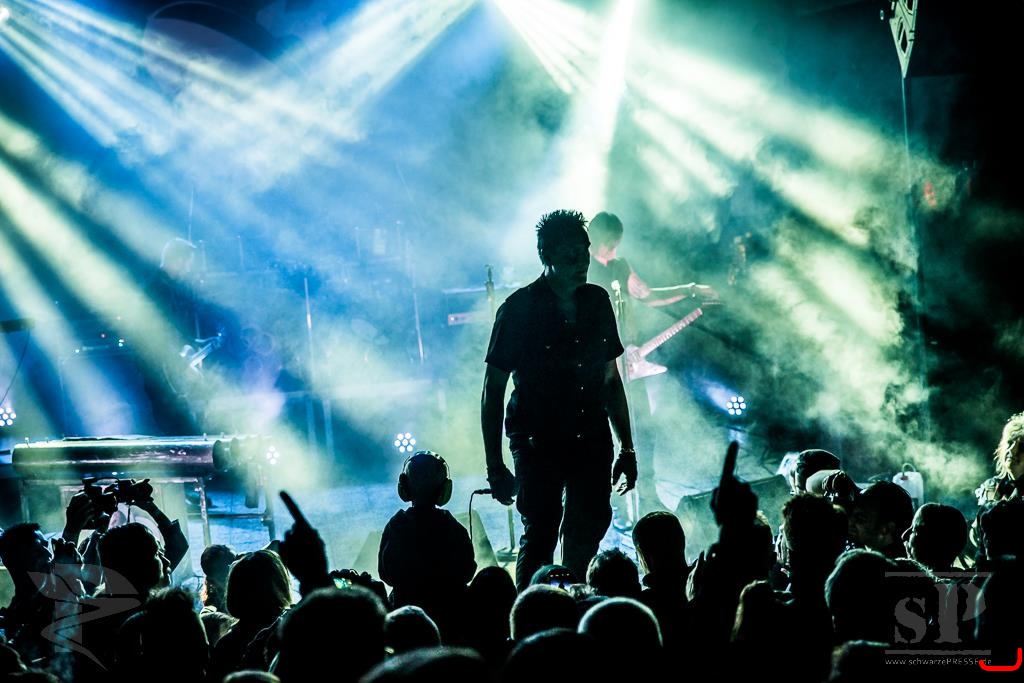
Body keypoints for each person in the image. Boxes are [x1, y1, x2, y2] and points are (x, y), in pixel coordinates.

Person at [481, 209, 637, 592]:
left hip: (590, 434)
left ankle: (574, 601)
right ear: (546, 255)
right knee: (540, 534)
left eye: (584, 252)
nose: (582, 262)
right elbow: (492, 390)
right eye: (571, 255)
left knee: (588, 529)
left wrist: (627, 447)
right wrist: (495, 466)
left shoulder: (597, 302)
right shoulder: (517, 310)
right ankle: (530, 612)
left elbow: (610, 380)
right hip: (538, 441)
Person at [586, 211, 718, 520]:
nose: (613, 249)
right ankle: (610, 500)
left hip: (630, 361)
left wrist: (689, 289)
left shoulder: (620, 266)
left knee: (643, 428)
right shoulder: (584, 270)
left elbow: (646, 295)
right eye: (611, 243)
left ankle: (646, 491)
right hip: (601, 366)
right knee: (604, 432)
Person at [377, 449, 477, 643]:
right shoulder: (453, 527)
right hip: (451, 622)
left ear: (404, 486)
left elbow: (386, 574)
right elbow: (467, 572)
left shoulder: (396, 526)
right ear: (444, 489)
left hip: (407, 623)